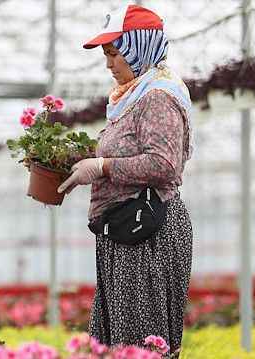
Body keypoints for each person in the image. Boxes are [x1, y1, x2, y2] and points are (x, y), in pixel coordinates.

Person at [57, 5, 194, 356]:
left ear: (138, 48)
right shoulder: (132, 96)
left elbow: (164, 164)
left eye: (114, 53)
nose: (108, 64)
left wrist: (102, 167)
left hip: (149, 233)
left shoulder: (158, 96)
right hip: (127, 229)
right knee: (118, 340)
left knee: (139, 341)